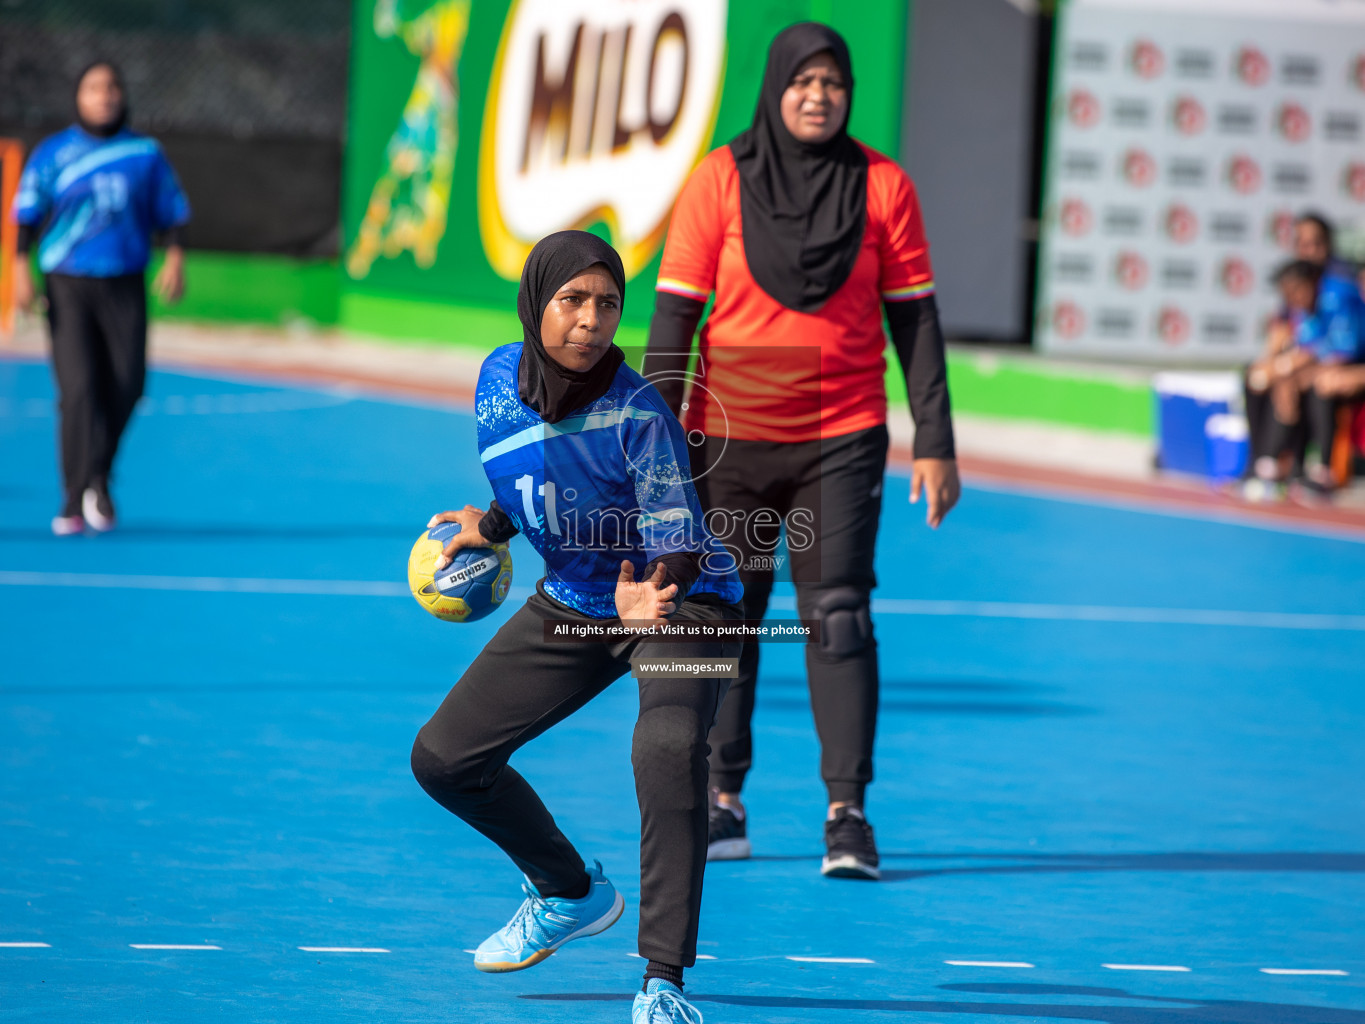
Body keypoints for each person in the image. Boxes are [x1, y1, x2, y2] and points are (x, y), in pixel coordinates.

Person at [642, 23, 958, 881]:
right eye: (802, 81)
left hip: (841, 437)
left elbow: (915, 321)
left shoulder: (884, 186)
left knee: (838, 617)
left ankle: (846, 813)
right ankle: (722, 800)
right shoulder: (718, 178)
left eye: (833, 82)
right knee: (725, 618)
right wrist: (650, 448)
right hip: (728, 442)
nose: (818, 96)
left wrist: (936, 439)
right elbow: (675, 315)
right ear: (776, 87)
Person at [409, 231, 743, 1024]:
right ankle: (566, 890)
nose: (590, 321)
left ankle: (662, 984)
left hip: (682, 603)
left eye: (606, 304)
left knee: (665, 746)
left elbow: (679, 545)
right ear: (536, 306)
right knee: (444, 760)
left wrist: (648, 600)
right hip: (576, 600)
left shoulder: (638, 412)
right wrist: (488, 527)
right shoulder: (497, 379)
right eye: (572, 301)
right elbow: (534, 475)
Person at [9, 60, 190, 535]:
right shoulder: (55, 153)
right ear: (78, 96)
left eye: (112, 87)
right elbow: (26, 212)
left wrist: (175, 256)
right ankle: (73, 498)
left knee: (128, 384)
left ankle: (99, 475)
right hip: (67, 283)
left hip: (125, 281)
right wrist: (18, 268)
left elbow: (170, 209)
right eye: (94, 87)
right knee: (79, 390)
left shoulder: (145, 153)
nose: (104, 95)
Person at [1245, 260, 1365, 496]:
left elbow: (1341, 353)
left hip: (1348, 372)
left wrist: (1291, 369)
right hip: (1331, 370)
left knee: (1320, 385)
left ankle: (1322, 470)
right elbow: (1308, 347)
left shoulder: (1338, 297)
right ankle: (1267, 462)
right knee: (1271, 382)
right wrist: (1282, 370)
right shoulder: (1304, 307)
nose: (1292, 299)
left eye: (1295, 291)